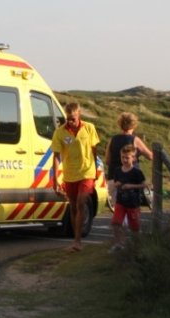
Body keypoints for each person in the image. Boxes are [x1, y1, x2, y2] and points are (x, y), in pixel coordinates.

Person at [51, 102, 100, 252]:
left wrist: (96, 170)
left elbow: (94, 150)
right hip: (69, 174)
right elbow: (56, 156)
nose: (70, 122)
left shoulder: (89, 128)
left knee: (80, 203)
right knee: (72, 206)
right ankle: (76, 237)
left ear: (79, 115)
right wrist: (55, 180)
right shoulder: (60, 132)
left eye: (72, 118)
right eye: (67, 119)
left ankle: (78, 241)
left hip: (86, 172)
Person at [104, 112, 153, 206]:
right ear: (134, 124)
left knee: (118, 210)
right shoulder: (134, 139)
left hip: (114, 178)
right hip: (131, 179)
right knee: (131, 210)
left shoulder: (112, 139)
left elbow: (107, 160)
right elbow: (150, 156)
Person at [109, 144, 148, 253]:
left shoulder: (137, 172)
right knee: (116, 223)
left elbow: (144, 185)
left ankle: (137, 247)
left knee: (134, 227)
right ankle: (119, 244)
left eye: (127, 157)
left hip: (133, 203)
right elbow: (116, 182)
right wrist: (116, 185)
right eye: (122, 157)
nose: (125, 160)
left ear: (134, 158)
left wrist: (131, 186)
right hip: (120, 202)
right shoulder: (118, 171)